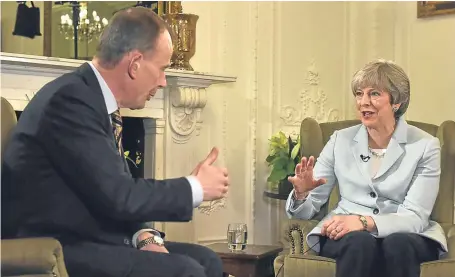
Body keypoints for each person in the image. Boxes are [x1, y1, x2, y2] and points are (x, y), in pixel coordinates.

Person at [1, 7, 229, 277]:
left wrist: (144, 235)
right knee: (184, 270)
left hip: (91, 236)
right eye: (162, 69)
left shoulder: (93, 99)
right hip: (54, 245)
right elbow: (120, 196)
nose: (163, 82)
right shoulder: (70, 101)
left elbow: (108, 188)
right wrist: (195, 188)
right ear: (135, 64)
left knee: (207, 260)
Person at [285, 59, 447, 277]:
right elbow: (307, 211)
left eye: (374, 94)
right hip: (347, 232)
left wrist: (363, 222)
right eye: (359, 94)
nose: (363, 102)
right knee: (359, 242)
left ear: (397, 102)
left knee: (398, 244)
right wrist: (302, 193)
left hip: (406, 233)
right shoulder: (340, 140)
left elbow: (416, 216)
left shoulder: (425, 146)